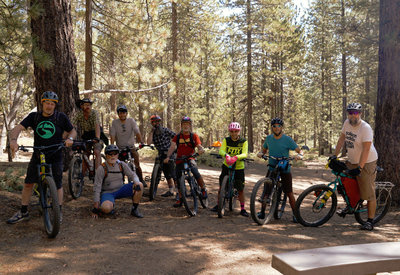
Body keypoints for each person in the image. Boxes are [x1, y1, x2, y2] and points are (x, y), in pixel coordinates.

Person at [7, 91, 76, 224]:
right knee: (28, 183)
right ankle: (23, 211)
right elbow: (17, 128)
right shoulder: (34, 117)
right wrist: (14, 140)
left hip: (55, 153)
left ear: (55, 105)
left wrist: (70, 138)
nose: (49, 106)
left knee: (57, 184)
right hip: (38, 153)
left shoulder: (60, 117)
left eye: (52, 104)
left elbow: (72, 130)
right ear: (42, 103)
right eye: (46, 103)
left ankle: (58, 211)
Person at [332, 103, 378, 231]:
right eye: (350, 113)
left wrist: (360, 167)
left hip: (367, 161)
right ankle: (351, 205)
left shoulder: (365, 128)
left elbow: (367, 149)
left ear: (360, 114)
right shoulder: (347, 123)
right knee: (347, 184)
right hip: (352, 159)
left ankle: (370, 221)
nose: (353, 115)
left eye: (355, 113)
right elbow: (341, 140)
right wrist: (334, 156)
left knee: (368, 192)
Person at [256, 117, 303, 222]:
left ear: (281, 127)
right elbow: (263, 150)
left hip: (284, 168)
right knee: (266, 190)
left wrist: (299, 155)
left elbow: (299, 150)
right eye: (274, 126)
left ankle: (296, 215)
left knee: (289, 192)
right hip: (272, 167)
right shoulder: (269, 139)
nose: (276, 128)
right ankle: (262, 212)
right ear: (272, 127)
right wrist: (261, 153)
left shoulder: (287, 139)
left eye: (279, 126)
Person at [164, 116, 208, 207]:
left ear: (190, 125)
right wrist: (168, 156)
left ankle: (203, 189)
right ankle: (180, 198)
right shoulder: (177, 136)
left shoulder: (194, 136)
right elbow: (172, 147)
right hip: (179, 159)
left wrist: (200, 149)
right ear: (181, 125)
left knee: (195, 172)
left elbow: (199, 146)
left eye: (187, 124)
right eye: (184, 124)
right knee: (178, 178)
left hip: (190, 158)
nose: (186, 126)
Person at [92, 144, 144, 218]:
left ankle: (134, 209)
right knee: (106, 208)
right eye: (110, 154)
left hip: (120, 189)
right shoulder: (102, 168)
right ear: (106, 155)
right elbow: (97, 187)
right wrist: (95, 208)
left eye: (115, 154)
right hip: (107, 192)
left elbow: (132, 175)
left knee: (140, 185)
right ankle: (108, 206)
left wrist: (136, 182)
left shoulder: (121, 165)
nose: (113, 156)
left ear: (118, 155)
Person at [210, 122, 249, 217]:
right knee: (221, 187)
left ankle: (243, 209)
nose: (234, 133)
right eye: (232, 131)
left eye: (236, 131)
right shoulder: (226, 140)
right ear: (229, 131)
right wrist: (226, 155)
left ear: (239, 131)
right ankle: (219, 205)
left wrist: (236, 157)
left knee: (240, 189)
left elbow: (245, 153)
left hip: (239, 167)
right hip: (226, 166)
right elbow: (221, 150)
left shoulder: (243, 141)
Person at [110, 104, 145, 185]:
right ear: (118, 114)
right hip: (120, 148)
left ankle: (141, 180)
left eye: (123, 112)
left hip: (131, 147)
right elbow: (113, 135)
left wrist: (141, 142)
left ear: (126, 113)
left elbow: (137, 131)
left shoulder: (131, 121)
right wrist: (112, 145)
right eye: (120, 113)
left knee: (136, 165)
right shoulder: (115, 123)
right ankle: (120, 182)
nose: (122, 114)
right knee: (119, 166)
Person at [147, 115, 177, 197]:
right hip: (160, 153)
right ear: (152, 123)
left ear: (160, 122)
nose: (156, 123)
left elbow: (176, 137)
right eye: (154, 122)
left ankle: (179, 193)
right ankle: (171, 191)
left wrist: (175, 147)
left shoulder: (165, 130)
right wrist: (151, 132)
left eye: (157, 121)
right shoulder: (152, 133)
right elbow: (149, 143)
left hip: (169, 153)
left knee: (173, 172)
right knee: (166, 173)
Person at [73, 98, 103, 170]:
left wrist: (97, 138)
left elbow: (97, 125)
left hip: (97, 133)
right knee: (85, 154)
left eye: (89, 105)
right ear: (81, 106)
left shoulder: (94, 113)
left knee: (96, 152)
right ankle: (82, 176)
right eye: (86, 105)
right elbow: (72, 125)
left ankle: (98, 173)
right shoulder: (79, 114)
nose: (88, 107)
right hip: (86, 135)